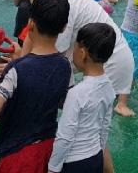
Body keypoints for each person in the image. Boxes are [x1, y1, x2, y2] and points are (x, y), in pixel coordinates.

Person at [15, 0, 136, 123]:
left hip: (110, 62)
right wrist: (18, 66)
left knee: (87, 119)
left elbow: (53, 54)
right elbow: (32, 34)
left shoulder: (61, 2)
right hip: (98, 56)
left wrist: (20, 71)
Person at [0, 0, 71, 173]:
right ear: (63, 28)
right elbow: (62, 101)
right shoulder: (65, 65)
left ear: (30, 24)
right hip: (49, 148)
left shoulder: (16, 69)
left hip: (18, 154)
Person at [47, 23, 117, 173]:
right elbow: (105, 127)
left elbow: (65, 136)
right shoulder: (109, 88)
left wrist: (52, 168)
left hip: (74, 163)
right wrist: (99, 153)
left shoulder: (76, 93)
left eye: (74, 48)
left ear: (83, 52)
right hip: (95, 157)